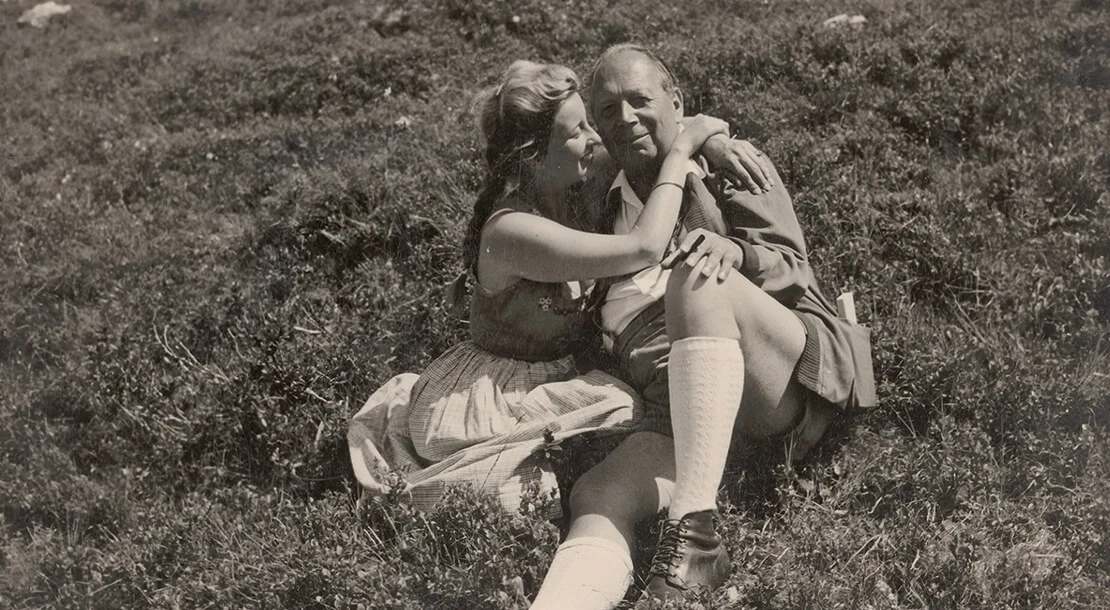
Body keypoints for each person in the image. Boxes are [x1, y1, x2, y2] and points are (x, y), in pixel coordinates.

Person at [528, 44, 877, 609]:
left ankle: (695, 538)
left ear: (677, 102)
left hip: (771, 373)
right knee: (596, 494)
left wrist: (736, 252)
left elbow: (794, 268)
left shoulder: (725, 166)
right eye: (608, 109)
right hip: (678, 402)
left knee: (694, 274)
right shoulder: (596, 197)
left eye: (639, 100)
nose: (625, 119)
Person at [347, 60, 770, 517]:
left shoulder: (575, 181)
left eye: (591, 123)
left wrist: (716, 142)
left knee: (624, 427)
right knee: (511, 504)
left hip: (557, 378)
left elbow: (650, 129)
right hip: (494, 394)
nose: (595, 138)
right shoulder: (512, 233)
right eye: (578, 131)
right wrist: (684, 148)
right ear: (535, 155)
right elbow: (644, 246)